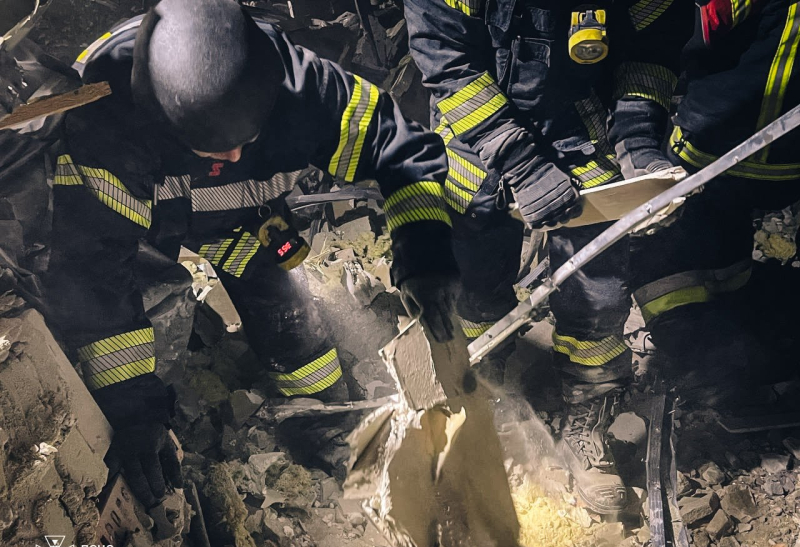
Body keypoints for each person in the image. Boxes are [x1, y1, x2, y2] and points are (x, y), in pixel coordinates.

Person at [45, 0, 458, 509]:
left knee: (296, 325)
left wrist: (426, 256)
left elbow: (402, 152)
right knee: (141, 319)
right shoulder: (106, 127)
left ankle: (322, 414)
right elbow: (93, 275)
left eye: (248, 138)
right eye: (214, 149)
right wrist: (133, 409)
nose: (236, 156)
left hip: (239, 221)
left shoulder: (304, 89)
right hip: (145, 228)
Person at [404, 0, 691, 513]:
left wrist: (638, 137)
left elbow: (652, 47)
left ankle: (586, 420)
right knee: (474, 280)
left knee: (598, 297)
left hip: (583, 130)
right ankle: (479, 390)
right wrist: (519, 160)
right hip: (478, 142)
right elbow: (445, 58)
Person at [631, 0, 800, 406]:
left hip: (715, 147)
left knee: (674, 255)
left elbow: (705, 28)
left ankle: (700, 358)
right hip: (788, 163)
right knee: (728, 255)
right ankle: (730, 347)